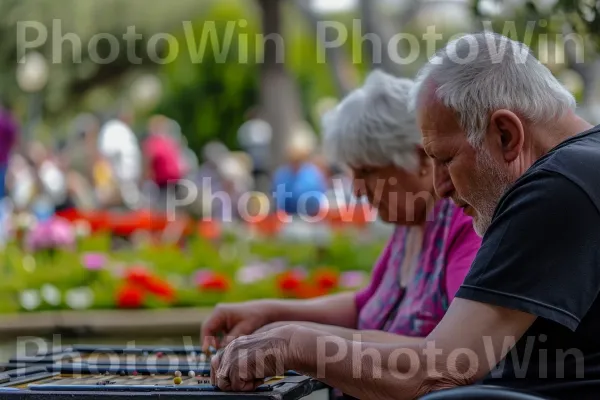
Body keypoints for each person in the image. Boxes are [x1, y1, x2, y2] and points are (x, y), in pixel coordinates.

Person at [208, 33, 600, 400]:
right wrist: (283, 329)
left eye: (446, 160)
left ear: (506, 135)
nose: (440, 188)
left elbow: (442, 367)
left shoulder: (555, 186)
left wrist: (293, 343)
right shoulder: (579, 167)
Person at [202, 70, 480, 364]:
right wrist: (267, 312)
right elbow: (364, 306)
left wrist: (294, 342)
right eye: (353, 174)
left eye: (368, 172)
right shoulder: (410, 224)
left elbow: (452, 354)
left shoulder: (464, 223)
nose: (358, 191)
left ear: (421, 158)